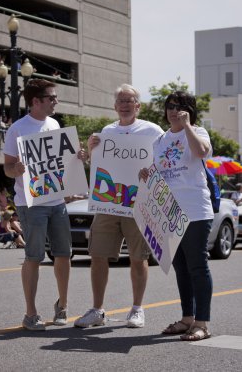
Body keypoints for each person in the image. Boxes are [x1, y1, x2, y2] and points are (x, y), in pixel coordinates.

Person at [74, 83, 164, 329]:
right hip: (108, 205)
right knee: (98, 256)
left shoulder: (152, 130)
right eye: (121, 101)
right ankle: (97, 310)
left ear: (138, 105)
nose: (125, 105)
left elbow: (164, 162)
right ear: (115, 106)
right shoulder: (106, 132)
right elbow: (100, 167)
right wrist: (90, 151)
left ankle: (136, 309)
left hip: (138, 204)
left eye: (130, 100)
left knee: (138, 257)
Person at [3, 78, 87, 331]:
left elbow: (62, 162)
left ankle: (62, 305)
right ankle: (31, 313)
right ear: (36, 101)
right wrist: (15, 169)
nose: (56, 101)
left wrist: (78, 157)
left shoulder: (54, 124)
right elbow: (7, 168)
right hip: (31, 203)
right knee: (34, 256)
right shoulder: (17, 128)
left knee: (63, 254)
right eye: (52, 98)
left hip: (57, 201)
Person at [139, 91, 214, 341]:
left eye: (180, 107)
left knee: (197, 266)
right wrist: (148, 176)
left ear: (190, 111)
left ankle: (202, 323)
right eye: (170, 106)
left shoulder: (198, 132)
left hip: (195, 209)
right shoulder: (160, 140)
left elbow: (202, 152)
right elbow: (160, 172)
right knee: (181, 267)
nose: (174, 111)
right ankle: (187, 319)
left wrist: (188, 126)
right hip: (170, 211)